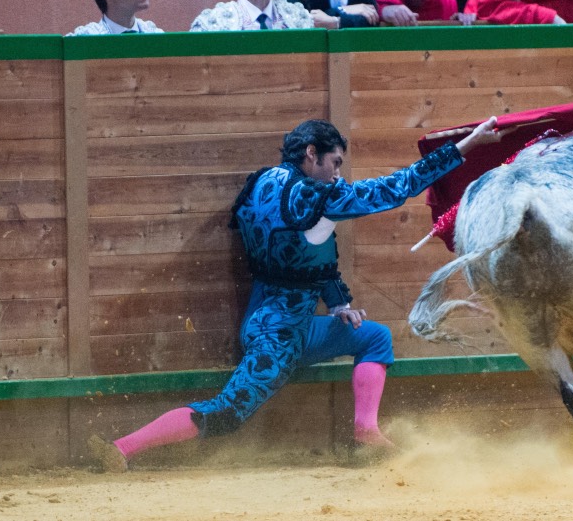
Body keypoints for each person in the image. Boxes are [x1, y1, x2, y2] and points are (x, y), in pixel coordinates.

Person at [86, 117, 509, 472]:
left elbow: (299, 254)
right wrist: (465, 146)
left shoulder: (263, 182)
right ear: (311, 153)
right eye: (334, 162)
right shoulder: (313, 196)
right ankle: (122, 448)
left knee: (374, 336)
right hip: (280, 337)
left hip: (272, 318)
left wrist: (338, 302)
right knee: (225, 412)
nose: (338, 173)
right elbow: (392, 190)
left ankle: (367, 432)